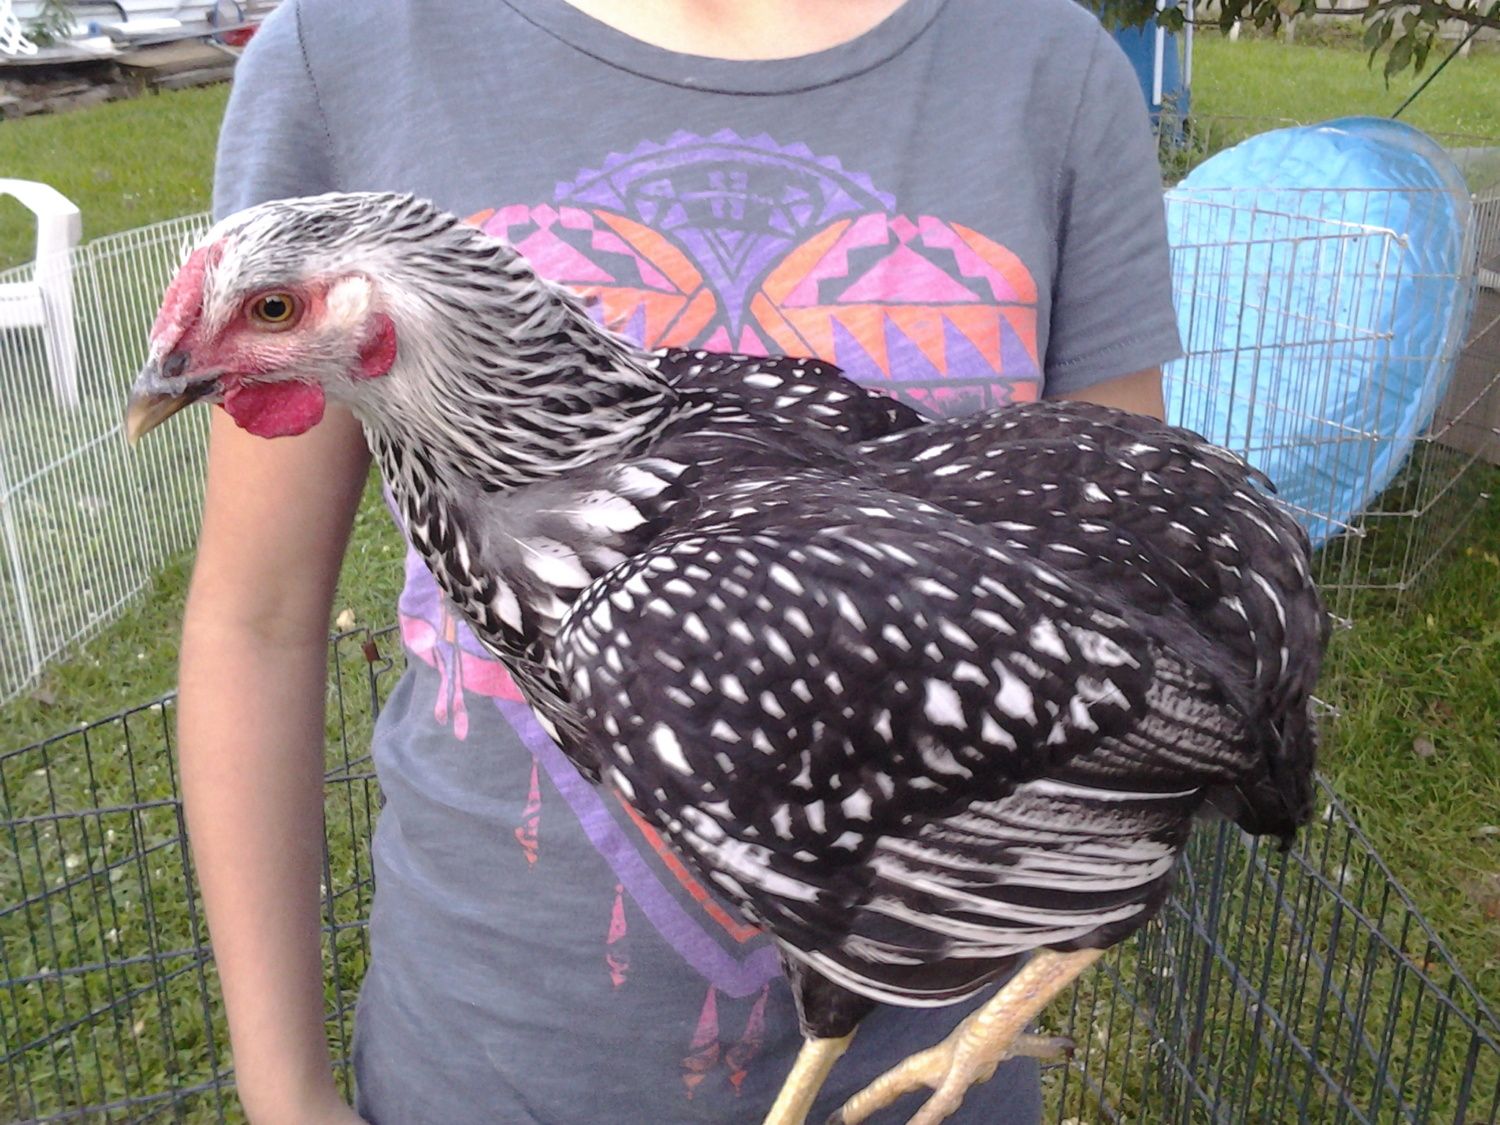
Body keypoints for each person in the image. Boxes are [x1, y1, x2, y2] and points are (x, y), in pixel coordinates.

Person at [181, 1, 1181, 1121]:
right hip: (486, 1061)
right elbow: (257, 620)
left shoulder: (1050, 65)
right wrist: (285, 1094)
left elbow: (1131, 597)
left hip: (920, 1060)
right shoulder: (347, 48)